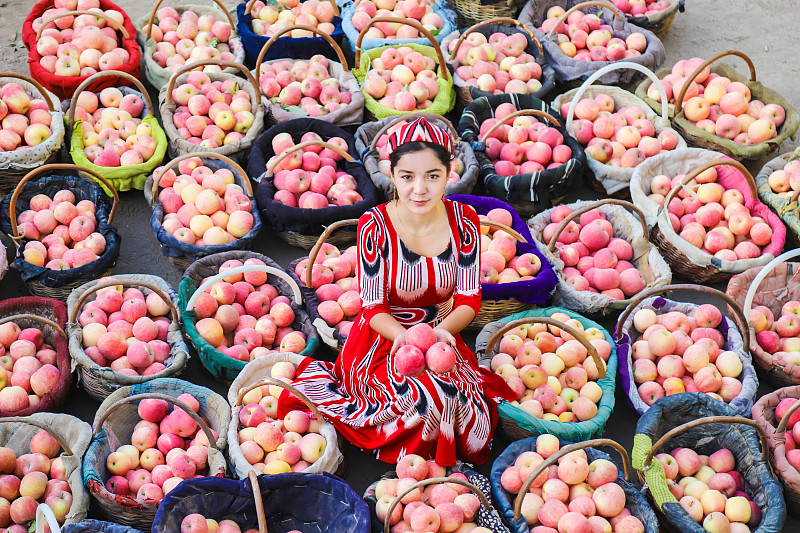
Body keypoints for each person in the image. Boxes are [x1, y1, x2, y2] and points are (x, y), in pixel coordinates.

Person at [279, 117, 515, 466]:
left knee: (460, 400)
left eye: (432, 176)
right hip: (381, 340)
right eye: (407, 177)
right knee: (421, 398)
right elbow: (372, 307)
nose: (419, 189)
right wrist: (405, 339)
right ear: (392, 174)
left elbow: (468, 299)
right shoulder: (374, 225)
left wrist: (439, 333)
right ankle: (414, 462)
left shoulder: (464, 222)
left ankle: (434, 463)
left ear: (449, 172)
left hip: (439, 333)